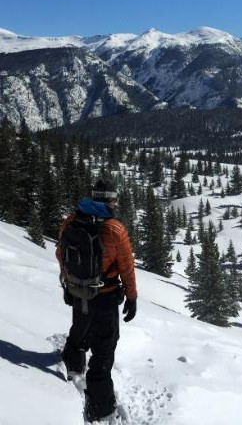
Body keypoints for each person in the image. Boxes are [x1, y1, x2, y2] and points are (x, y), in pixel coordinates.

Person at [56, 179, 138, 422]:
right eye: (114, 199)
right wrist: (131, 297)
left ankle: (73, 363)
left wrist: (68, 281)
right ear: (110, 199)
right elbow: (126, 266)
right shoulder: (114, 229)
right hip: (105, 295)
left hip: (78, 290)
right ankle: (100, 406)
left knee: (80, 328)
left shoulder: (72, 220)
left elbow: (61, 253)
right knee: (104, 347)